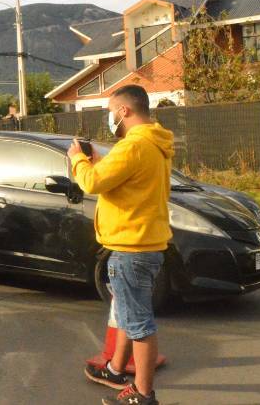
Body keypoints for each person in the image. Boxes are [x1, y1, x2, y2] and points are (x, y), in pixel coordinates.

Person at [68, 85, 173, 405]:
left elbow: (92, 182)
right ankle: (115, 370)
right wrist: (99, 159)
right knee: (129, 314)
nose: (110, 116)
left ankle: (143, 394)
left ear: (125, 111)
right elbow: (122, 180)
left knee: (139, 321)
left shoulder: (133, 146)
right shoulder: (152, 143)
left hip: (132, 248)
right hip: (145, 243)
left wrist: (77, 161)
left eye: (112, 110)